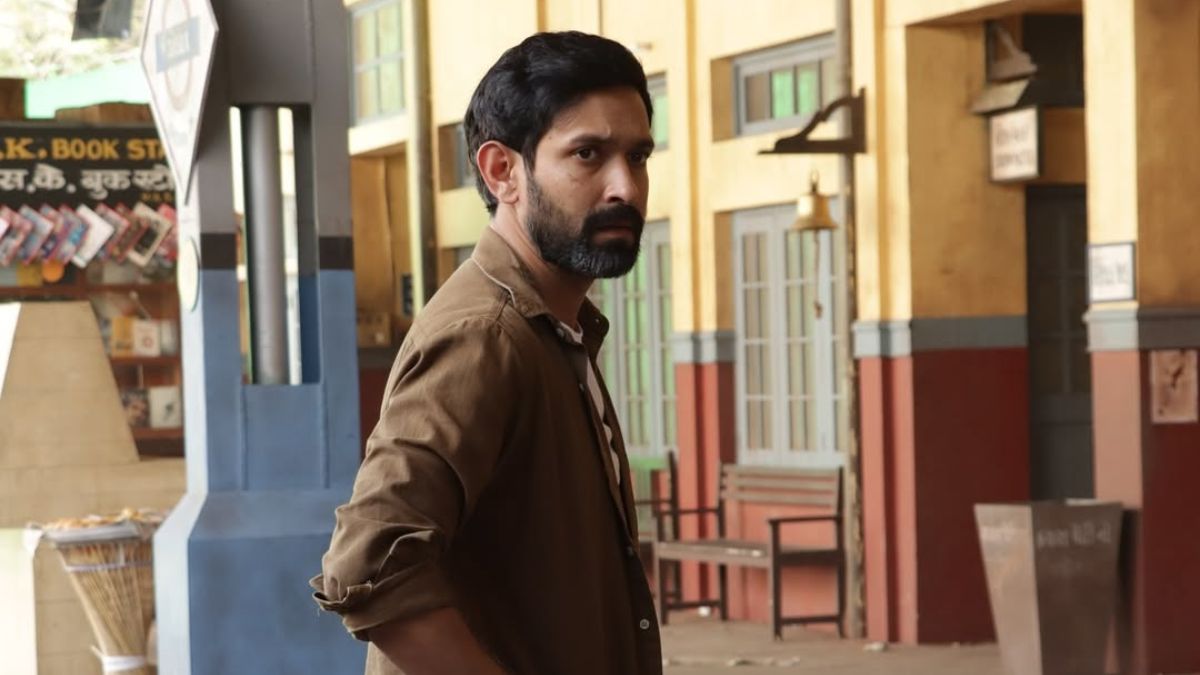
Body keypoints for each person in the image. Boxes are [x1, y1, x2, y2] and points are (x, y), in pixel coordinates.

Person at [312, 31, 662, 675]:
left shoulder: (556, 329)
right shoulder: (486, 335)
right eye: (587, 154)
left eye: (637, 156)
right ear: (503, 172)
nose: (625, 187)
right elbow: (370, 560)